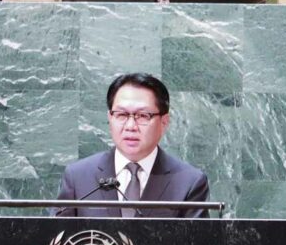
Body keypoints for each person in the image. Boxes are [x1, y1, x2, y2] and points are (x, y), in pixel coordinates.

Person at [56, 73, 210, 218]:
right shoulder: (78, 177)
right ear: (110, 118)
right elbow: (55, 240)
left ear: (164, 122)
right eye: (121, 115)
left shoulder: (189, 182)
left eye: (143, 116)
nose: (130, 126)